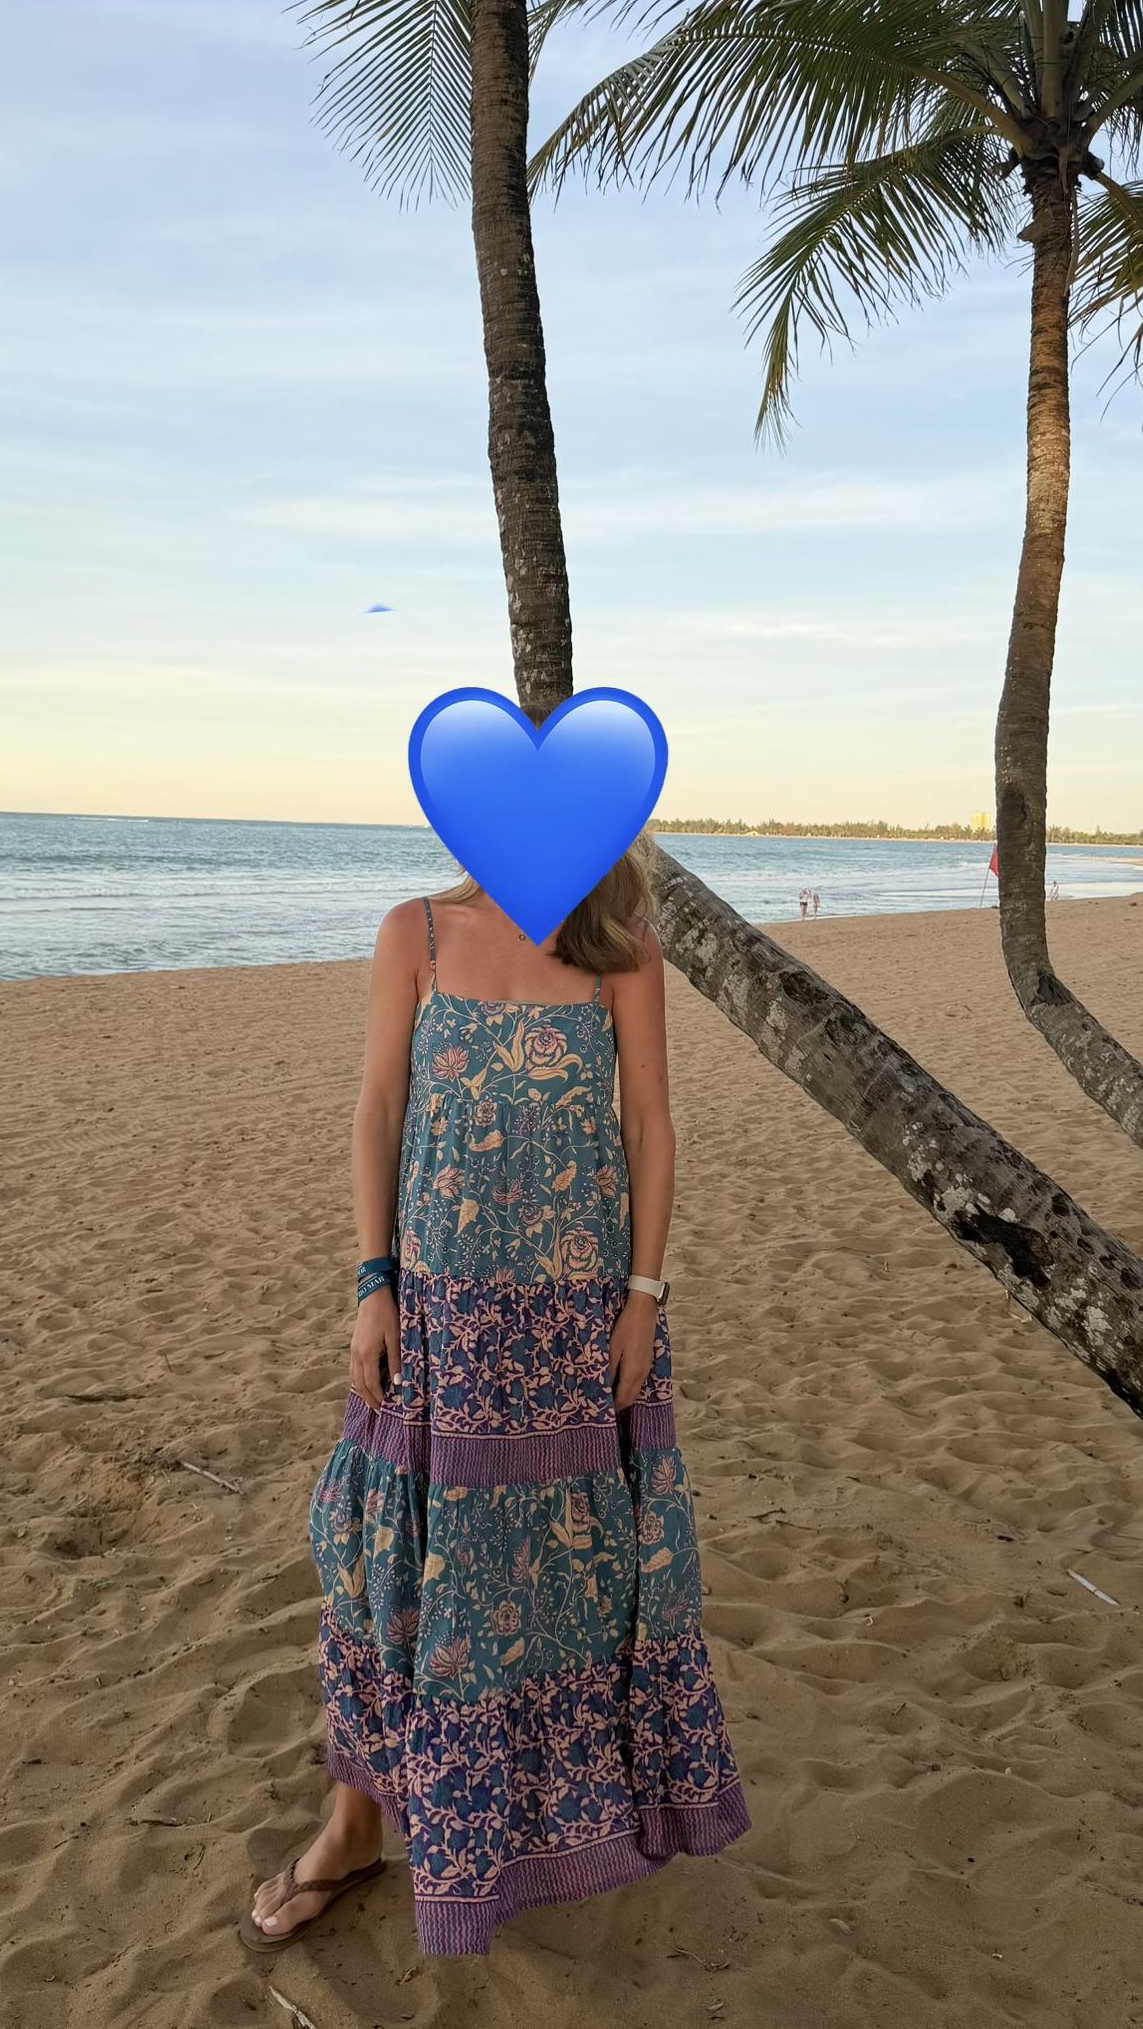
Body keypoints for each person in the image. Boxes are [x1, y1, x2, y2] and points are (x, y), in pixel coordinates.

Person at [241, 836, 750, 1958]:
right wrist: (371, 1283)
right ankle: (352, 1825)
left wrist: (642, 1299)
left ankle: (539, 1827)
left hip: (574, 1316)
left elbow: (648, 1124)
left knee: (563, 1578)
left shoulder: (620, 949)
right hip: (438, 1312)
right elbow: (379, 1108)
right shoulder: (414, 933)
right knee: (379, 1557)